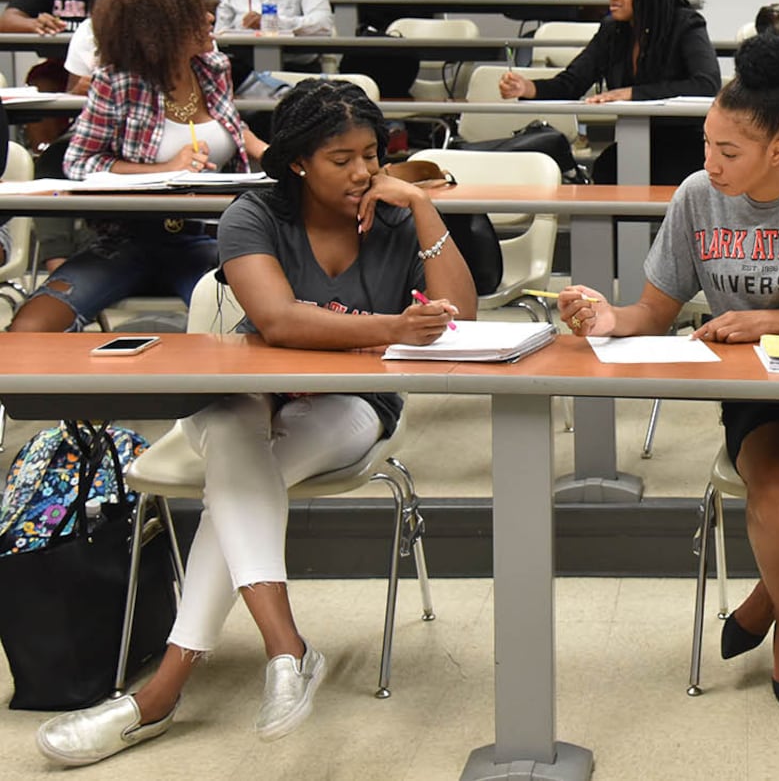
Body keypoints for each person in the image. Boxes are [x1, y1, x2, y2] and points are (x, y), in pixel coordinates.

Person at [33, 80, 474, 766]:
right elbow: (277, 321)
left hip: (350, 406)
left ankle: (165, 691)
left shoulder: (390, 216)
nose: (362, 172)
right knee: (240, 439)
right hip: (247, 393)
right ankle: (284, 649)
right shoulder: (254, 215)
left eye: (371, 155)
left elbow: (461, 317)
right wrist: (392, 327)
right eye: (340, 159)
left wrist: (419, 205)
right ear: (297, 161)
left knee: (238, 480)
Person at [557, 33, 779, 717]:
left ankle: (765, 600)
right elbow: (650, 311)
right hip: (769, 397)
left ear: (778, 149)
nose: (711, 164)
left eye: (729, 152)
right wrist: (605, 319)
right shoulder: (698, 199)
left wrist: (778, 319)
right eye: (707, 145)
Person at [7, 0, 268, 334]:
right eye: (196, 13)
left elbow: (230, 125)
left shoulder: (213, 67)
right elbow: (80, 161)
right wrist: (166, 170)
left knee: (250, 322)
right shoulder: (117, 81)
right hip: (128, 238)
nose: (210, 18)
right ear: (163, 27)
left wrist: (264, 150)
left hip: (207, 234)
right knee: (31, 328)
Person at [498, 0, 719, 185]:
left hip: (683, 144)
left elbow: (706, 84)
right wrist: (527, 88)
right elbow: (572, 82)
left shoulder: (685, 24)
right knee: (606, 170)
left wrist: (633, 94)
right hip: (631, 143)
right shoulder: (612, 29)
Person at [65, 0, 153, 95]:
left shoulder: (170, 28)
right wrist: (80, 91)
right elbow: (72, 97)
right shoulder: (88, 31)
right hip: (104, 115)